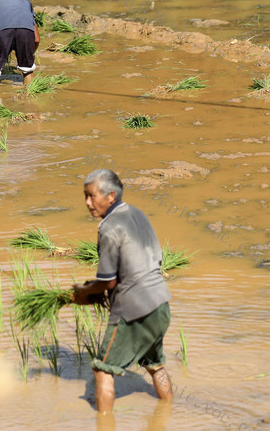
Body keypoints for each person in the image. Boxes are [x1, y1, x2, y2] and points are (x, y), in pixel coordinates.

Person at [72, 169, 174, 414]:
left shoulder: (108, 227)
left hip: (132, 312)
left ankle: (104, 423)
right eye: (85, 196)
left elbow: (108, 281)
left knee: (102, 369)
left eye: (91, 196)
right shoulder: (137, 214)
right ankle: (168, 414)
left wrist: (84, 291)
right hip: (160, 304)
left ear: (111, 196)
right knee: (154, 364)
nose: (87, 203)